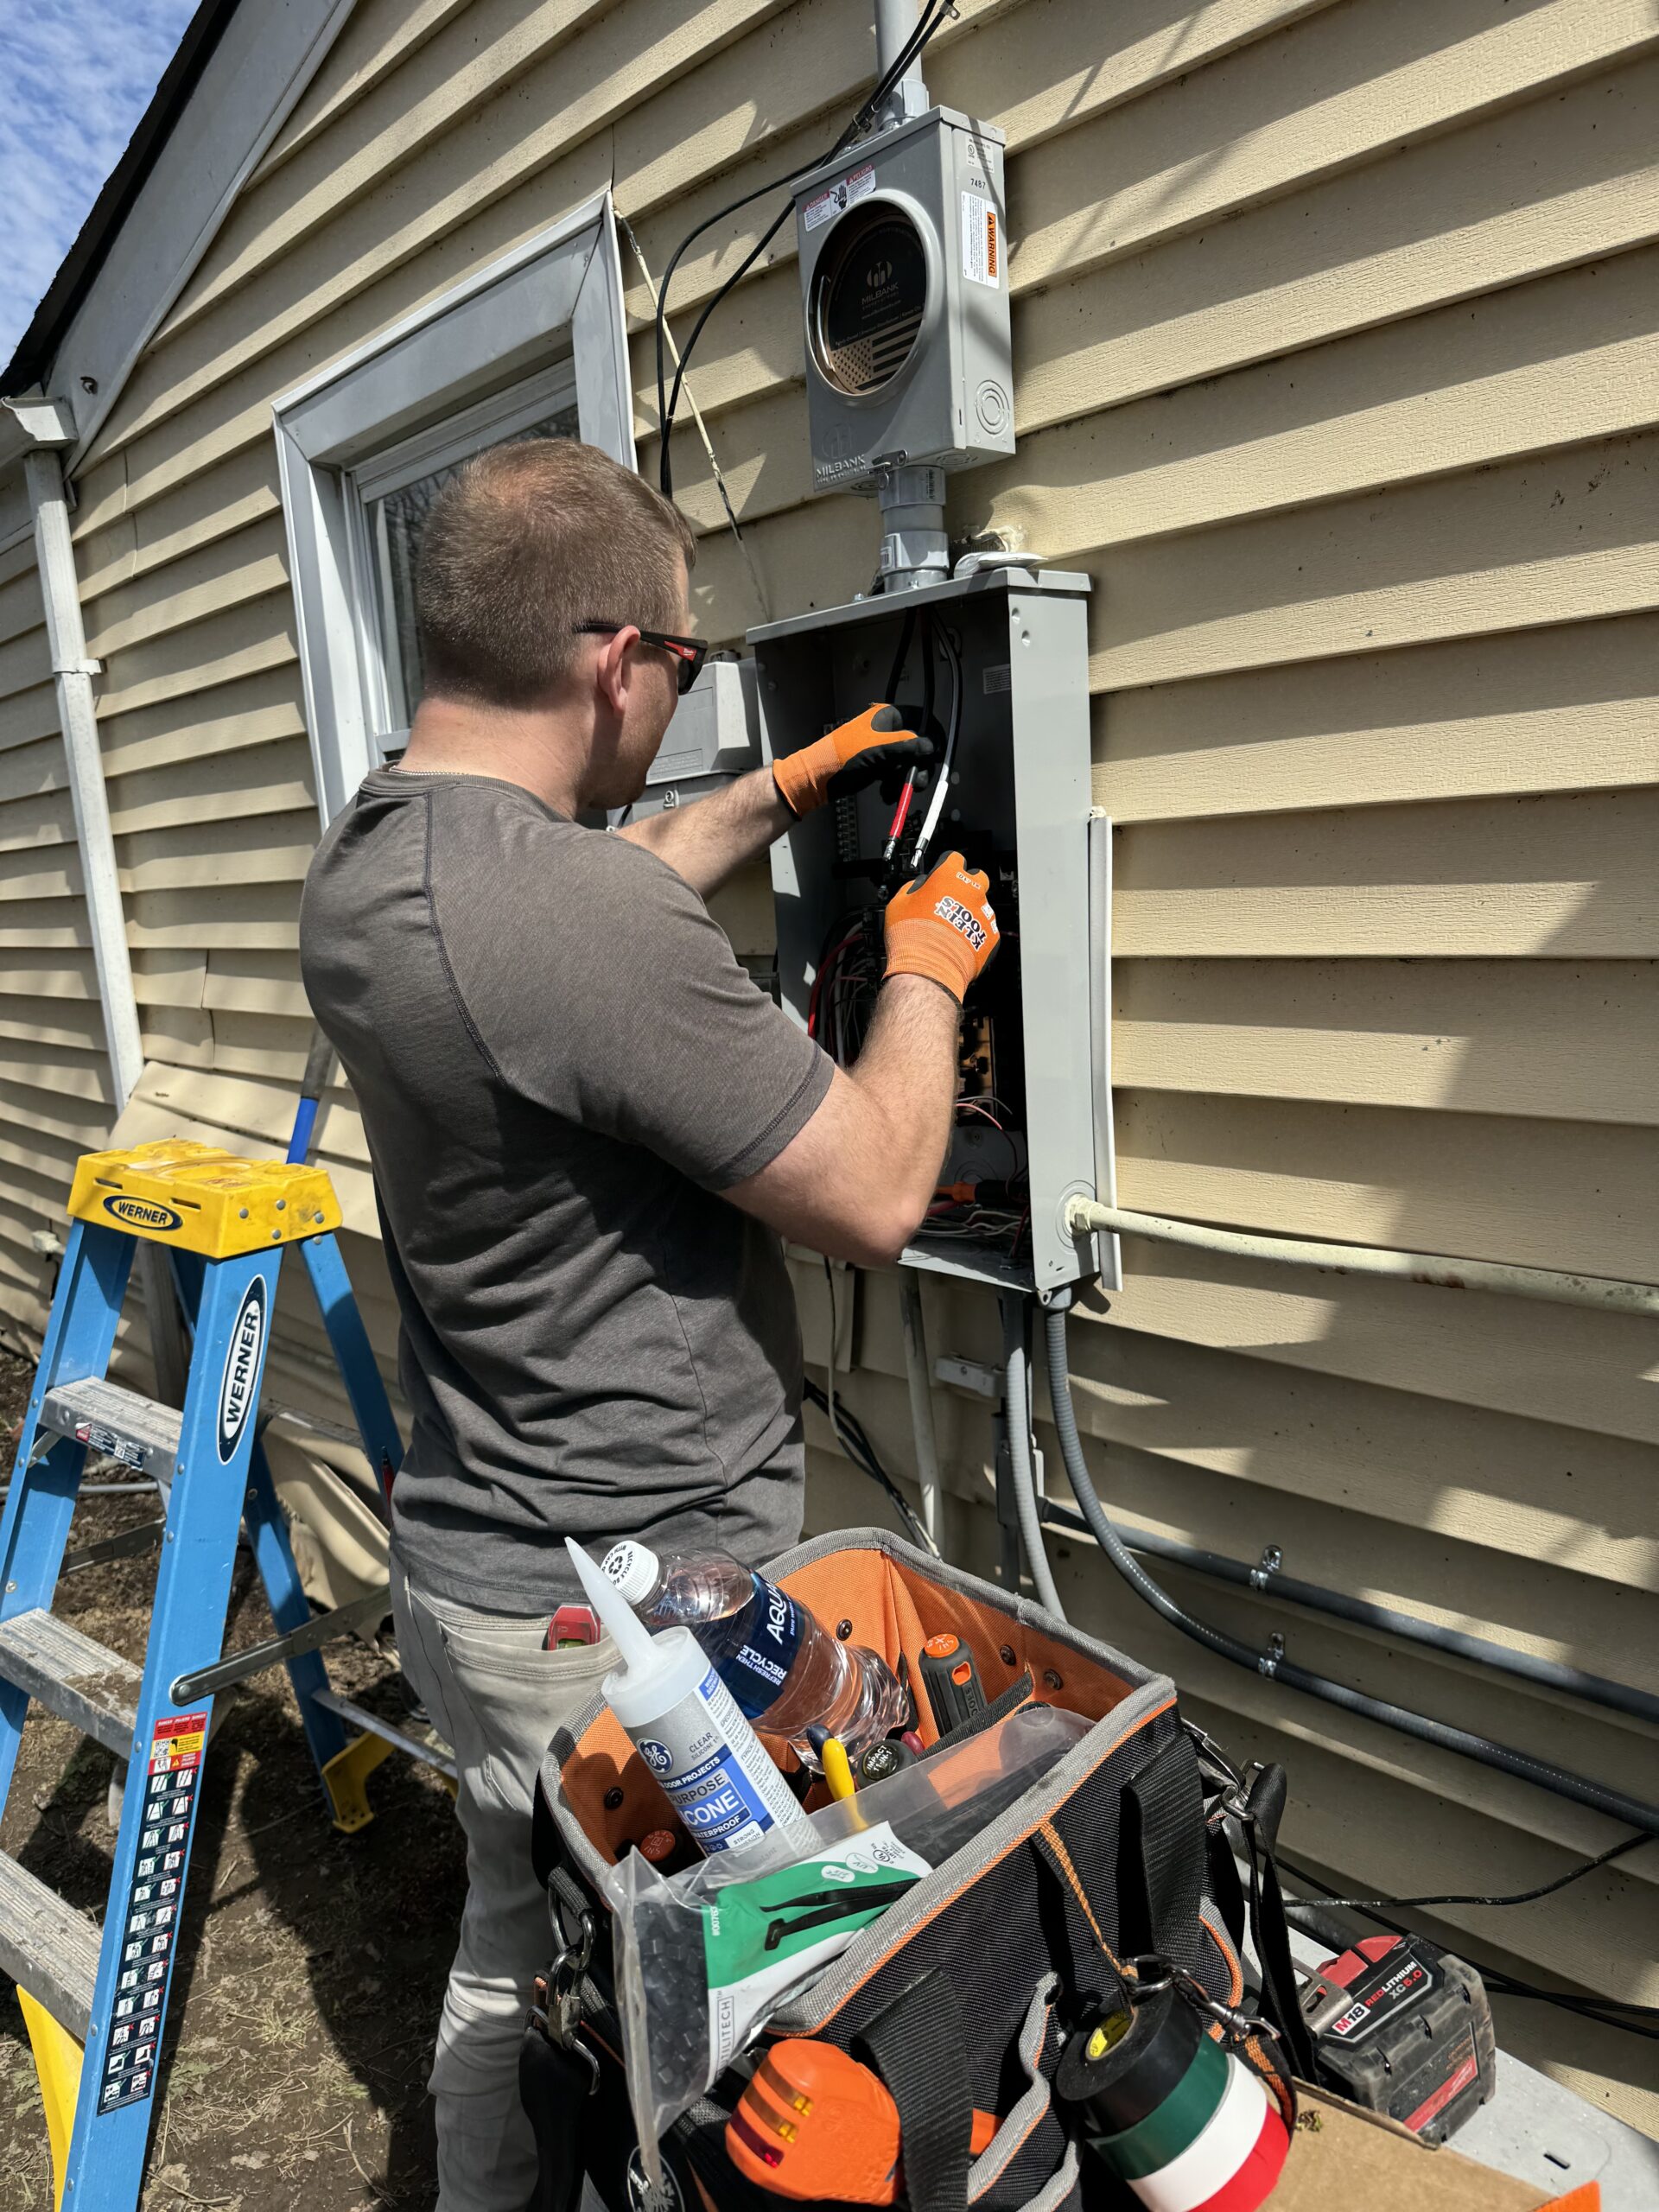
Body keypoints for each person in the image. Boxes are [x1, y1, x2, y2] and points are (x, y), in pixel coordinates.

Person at [297, 435, 998, 2211]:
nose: (678, 695)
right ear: (616, 659)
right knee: (685, 2018)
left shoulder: (374, 860)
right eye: (681, 665)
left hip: (468, 1556)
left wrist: (787, 781)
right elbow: (877, 1191)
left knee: (505, 1936)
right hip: (634, 1609)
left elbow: (584, 906)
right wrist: (925, 969)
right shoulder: (572, 910)